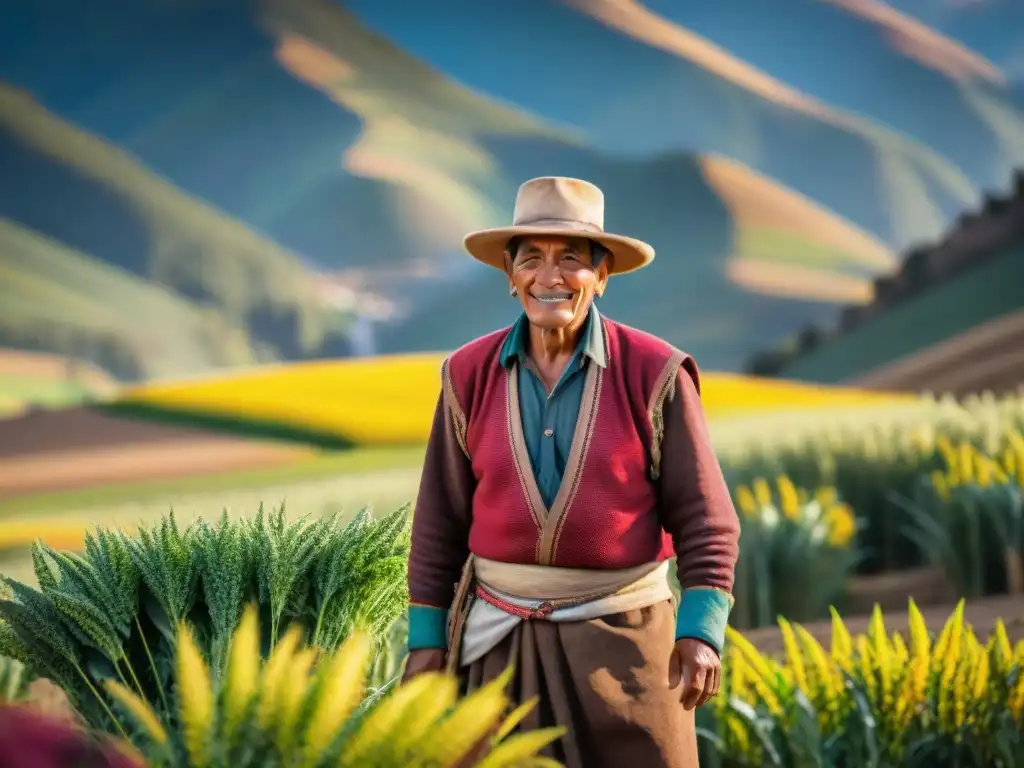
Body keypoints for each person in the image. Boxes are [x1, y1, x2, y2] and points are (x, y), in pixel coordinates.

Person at [402, 177, 741, 768]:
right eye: (530, 259)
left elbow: (707, 520)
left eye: (571, 261)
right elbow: (439, 522)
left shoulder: (656, 373)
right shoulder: (467, 375)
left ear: (602, 276)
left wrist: (701, 630)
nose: (549, 277)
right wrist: (426, 641)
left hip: (628, 649)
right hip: (496, 651)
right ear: (510, 275)